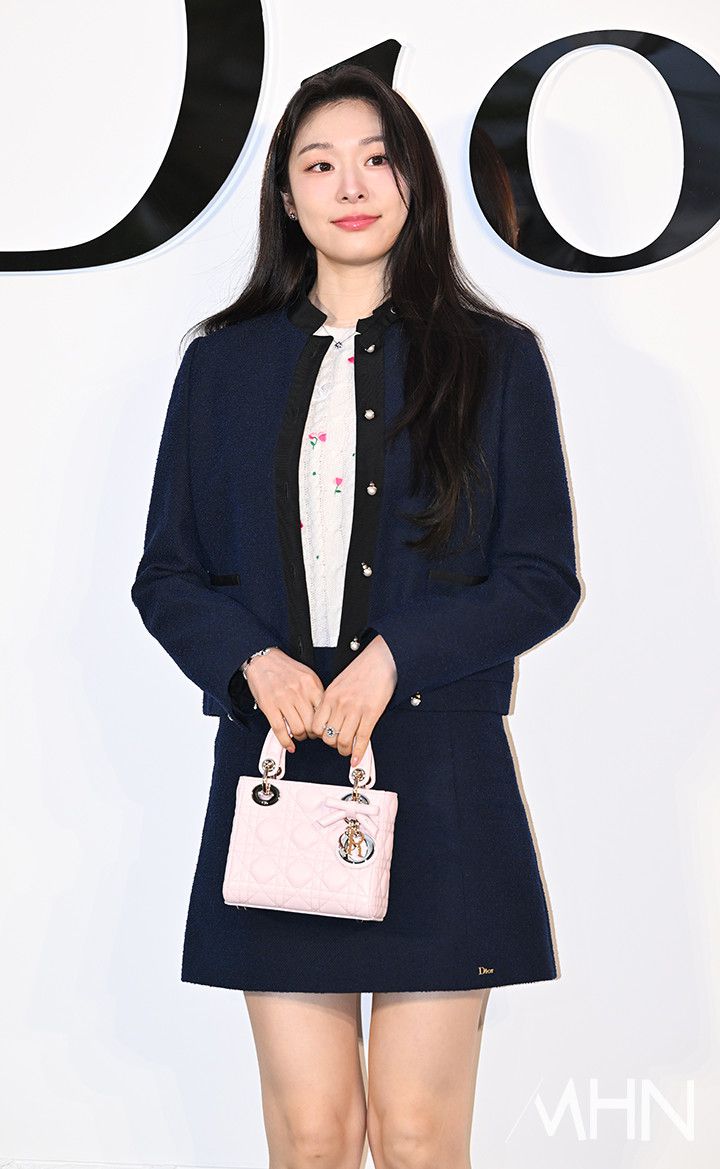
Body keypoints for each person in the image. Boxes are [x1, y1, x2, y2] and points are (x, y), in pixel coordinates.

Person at [131, 63, 582, 1169]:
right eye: (319, 164)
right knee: (314, 1134)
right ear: (286, 197)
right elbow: (168, 574)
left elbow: (540, 575)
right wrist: (254, 661)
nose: (350, 185)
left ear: (414, 181)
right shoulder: (222, 366)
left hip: (442, 775)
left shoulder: (494, 357)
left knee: (420, 1135)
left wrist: (396, 657)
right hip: (281, 771)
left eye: (376, 159)